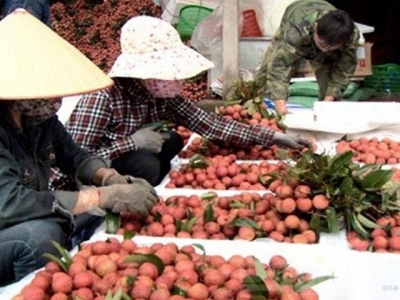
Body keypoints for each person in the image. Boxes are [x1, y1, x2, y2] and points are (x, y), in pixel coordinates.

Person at [0, 10, 157, 287]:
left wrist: (108, 178)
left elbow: (74, 155)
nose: (55, 100)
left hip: (25, 213)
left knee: (90, 214)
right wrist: (97, 197)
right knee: (42, 236)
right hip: (9, 221)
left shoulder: (38, 119)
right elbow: (10, 203)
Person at [62, 15, 312, 188]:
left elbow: (210, 124)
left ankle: (150, 175)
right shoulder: (101, 98)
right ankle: (139, 181)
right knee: (147, 165)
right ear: (140, 73)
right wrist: (131, 143)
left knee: (173, 140)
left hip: (123, 150)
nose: (174, 79)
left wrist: (272, 137)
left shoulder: (158, 93)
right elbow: (73, 161)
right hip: (98, 163)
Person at [255, 0, 360, 115]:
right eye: (322, 44)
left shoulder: (350, 36)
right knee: (267, 70)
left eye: (331, 47)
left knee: (329, 75)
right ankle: (253, 102)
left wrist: (327, 103)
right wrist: (282, 112)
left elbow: (344, 70)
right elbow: (279, 67)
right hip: (296, 17)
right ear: (315, 27)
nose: (325, 50)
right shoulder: (296, 30)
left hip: (327, 34)